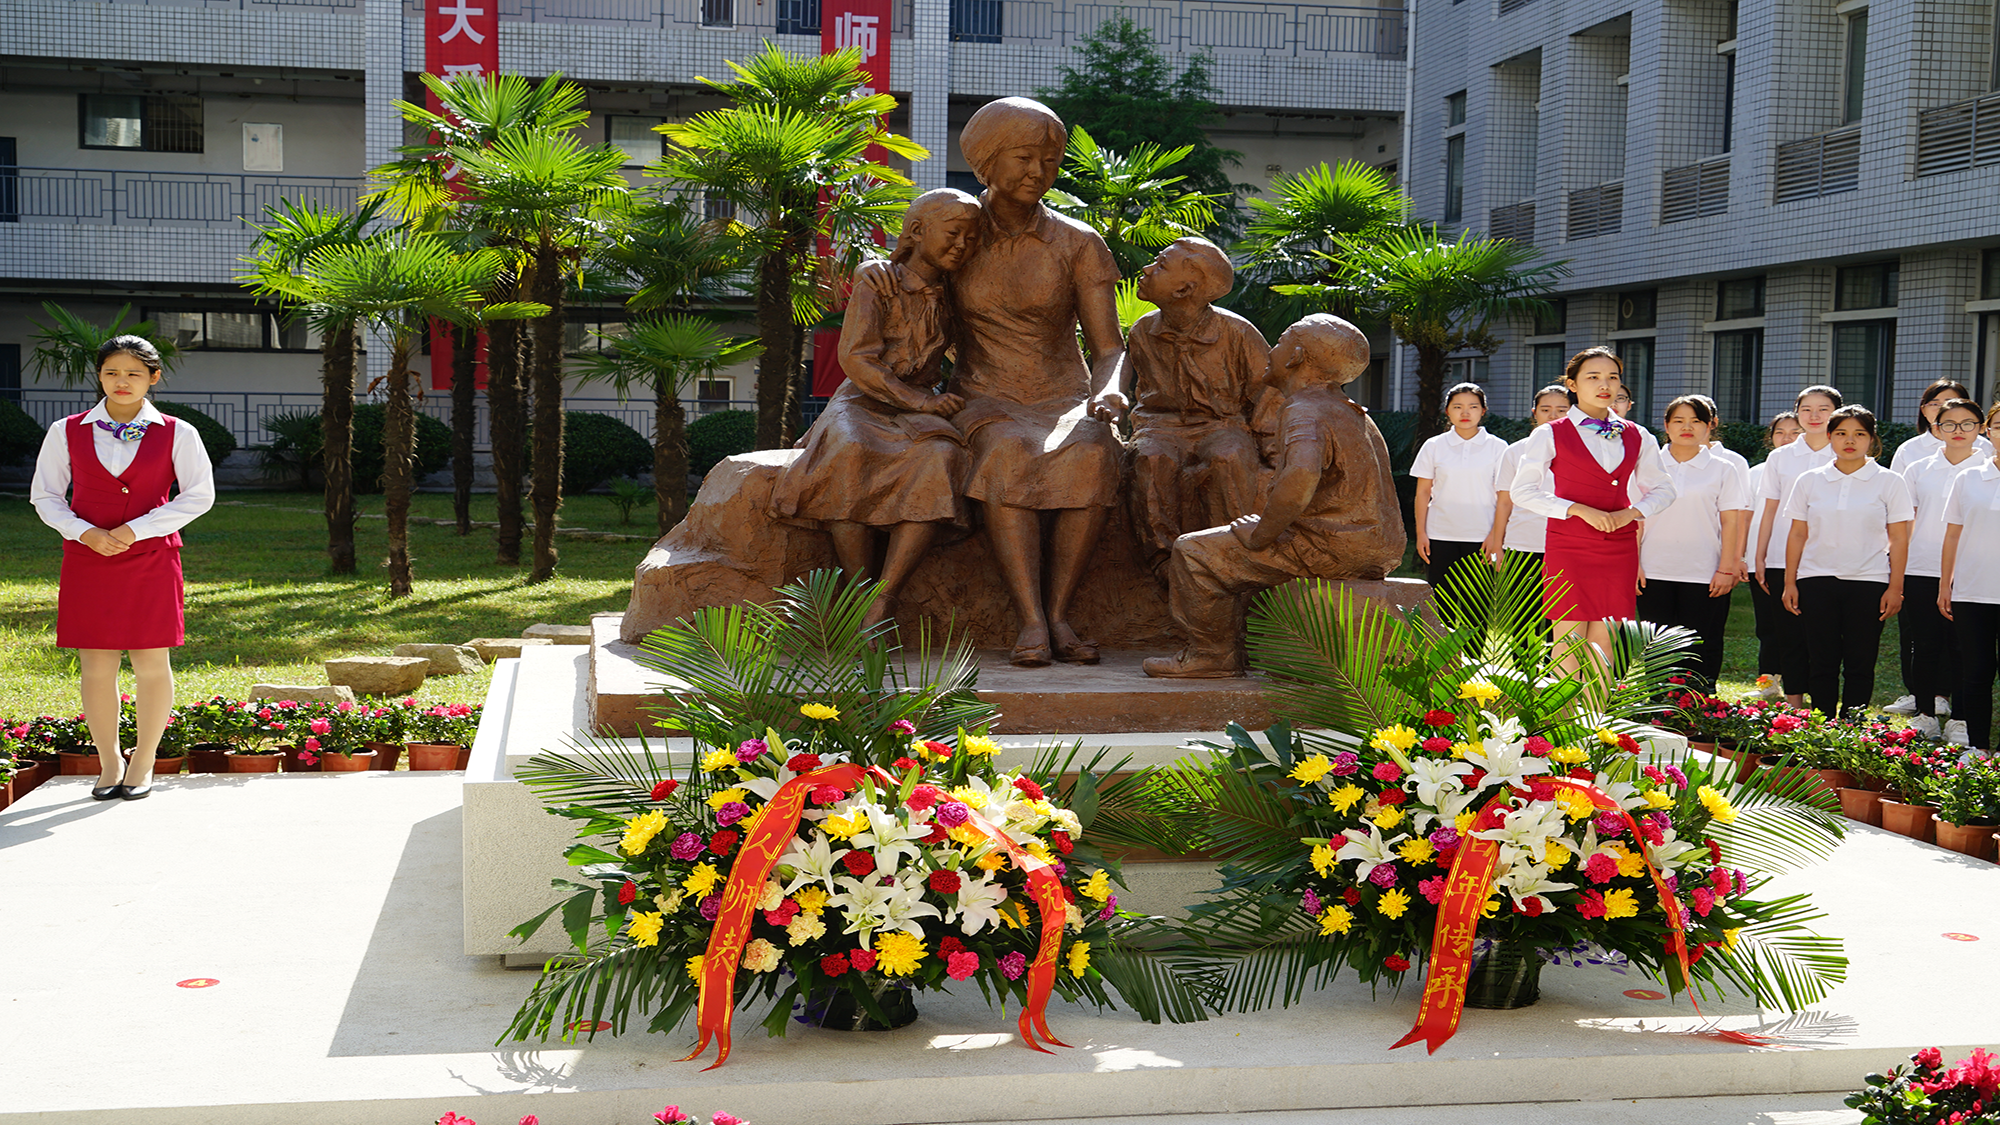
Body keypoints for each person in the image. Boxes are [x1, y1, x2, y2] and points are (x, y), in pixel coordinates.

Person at [945, 97, 1127, 667]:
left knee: (1093, 453)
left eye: (1049, 161)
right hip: (984, 394)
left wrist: (1109, 390)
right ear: (986, 161)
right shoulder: (957, 233)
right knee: (1006, 451)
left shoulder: (1077, 242)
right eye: (1023, 158)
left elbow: (1109, 348)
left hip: (1063, 396)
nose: (1037, 172)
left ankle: (1059, 613)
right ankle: (1029, 619)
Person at [1144, 314, 1405, 678]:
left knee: (1195, 552)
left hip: (1330, 546)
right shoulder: (1350, 410)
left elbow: (1301, 475)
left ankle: (1211, 656)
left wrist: (1262, 533)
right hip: (1377, 545)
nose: (1271, 350)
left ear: (1296, 356)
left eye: (1281, 341)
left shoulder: (1304, 409)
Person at [770, 188, 981, 630]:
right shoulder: (878, 281)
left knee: (941, 457)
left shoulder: (959, 291)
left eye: (971, 237)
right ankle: (858, 592)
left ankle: (883, 600)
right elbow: (857, 359)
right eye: (954, 233)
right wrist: (921, 400)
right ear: (917, 231)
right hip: (864, 400)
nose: (963, 244)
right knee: (849, 450)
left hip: (918, 409)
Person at [29, 336, 215, 801]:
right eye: (112, 372)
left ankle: (144, 761)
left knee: (151, 661)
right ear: (99, 375)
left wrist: (137, 530)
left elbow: (199, 495)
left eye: (134, 373)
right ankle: (110, 762)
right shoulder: (66, 430)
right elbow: (45, 496)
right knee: (96, 664)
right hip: (88, 560)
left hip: (152, 558)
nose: (122, 381)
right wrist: (84, 532)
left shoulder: (178, 432)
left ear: (154, 377)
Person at [1508, 347, 1675, 680]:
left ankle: (1597, 712)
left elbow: (1664, 489)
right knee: (1568, 637)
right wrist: (1575, 509)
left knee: (1606, 640)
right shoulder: (1549, 433)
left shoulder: (1638, 434)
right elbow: (1522, 491)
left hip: (1619, 546)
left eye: (1612, 377)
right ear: (1572, 384)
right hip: (1569, 544)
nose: (1605, 384)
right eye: (1593, 377)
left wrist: (1632, 513)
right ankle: (1565, 710)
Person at [1120, 236, 1273, 579]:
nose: (1147, 269)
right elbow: (1144, 393)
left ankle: (1229, 553)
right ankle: (1162, 560)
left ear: (1183, 290)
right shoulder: (1142, 331)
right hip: (1161, 425)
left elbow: (1267, 395)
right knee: (1150, 458)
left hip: (1221, 424)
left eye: (1160, 265)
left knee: (1229, 457)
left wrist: (1274, 452)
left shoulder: (1237, 332)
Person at [1780, 406, 1912, 719]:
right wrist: (1789, 582)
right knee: (1821, 659)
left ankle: (1852, 727)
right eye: (1841, 433)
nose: (1849, 441)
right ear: (1829, 436)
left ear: (1872, 439)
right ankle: (1821, 724)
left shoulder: (1890, 481)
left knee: (1860, 661)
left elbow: (1899, 538)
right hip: (1816, 580)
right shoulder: (1809, 480)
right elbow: (1797, 534)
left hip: (1870, 581)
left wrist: (1895, 587)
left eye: (1859, 434)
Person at [1636, 395, 1750, 689]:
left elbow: (1732, 521)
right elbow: (1636, 519)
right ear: (1666, 426)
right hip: (1653, 569)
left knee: (1702, 643)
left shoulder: (1724, 468)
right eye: (1679, 421)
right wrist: (1634, 564)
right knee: (1656, 645)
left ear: (1710, 426)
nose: (1687, 427)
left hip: (1705, 572)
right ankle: (1658, 704)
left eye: (1696, 421)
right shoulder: (1647, 465)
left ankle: (1699, 703)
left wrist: (1727, 568)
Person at [1896, 398, 1984, 739]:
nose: (1958, 430)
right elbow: (1904, 522)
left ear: (1980, 428)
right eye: (1949, 424)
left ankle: (1960, 718)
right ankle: (1925, 714)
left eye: (1967, 423)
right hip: (1922, 567)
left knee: (1963, 647)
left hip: (1971, 571)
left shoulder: (1989, 468)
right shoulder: (1919, 469)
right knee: (1924, 644)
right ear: (1936, 427)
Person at [1754, 385, 1841, 707]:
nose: (1814, 416)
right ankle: (1793, 703)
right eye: (1806, 409)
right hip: (1781, 556)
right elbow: (1769, 509)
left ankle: (1822, 705)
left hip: (1828, 559)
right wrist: (1760, 555)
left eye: (1823, 409)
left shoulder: (1845, 452)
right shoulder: (1781, 457)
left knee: (1823, 637)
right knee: (1788, 634)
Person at [1937, 402, 2000, 751]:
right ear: (1988, 432)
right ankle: (1978, 749)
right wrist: (1945, 584)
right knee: (1976, 673)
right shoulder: (1968, 478)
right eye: (1999, 426)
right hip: (1972, 592)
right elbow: (1952, 534)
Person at [1410, 383, 1507, 601]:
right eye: (1457, 407)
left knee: (1477, 608)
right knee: (1442, 605)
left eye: (1473, 407)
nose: (1465, 413)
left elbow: (1504, 497)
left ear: (1483, 411)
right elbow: (1423, 492)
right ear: (1447, 411)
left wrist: (1495, 536)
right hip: (1439, 535)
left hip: (1482, 537)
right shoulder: (1434, 446)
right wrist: (1421, 533)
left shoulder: (1499, 447)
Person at [1743, 411, 1803, 699]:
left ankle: (1800, 685)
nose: (1787, 438)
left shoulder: (1813, 470)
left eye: (1795, 432)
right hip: (1764, 558)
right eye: (1780, 432)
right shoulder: (1755, 473)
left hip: (1803, 559)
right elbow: (1746, 517)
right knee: (1767, 625)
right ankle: (1768, 682)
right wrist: (1744, 556)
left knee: (1799, 627)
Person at [1487, 384, 1571, 574]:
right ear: (1534, 413)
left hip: (1566, 545)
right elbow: (1504, 502)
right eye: (1545, 410)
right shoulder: (1515, 451)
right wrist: (1497, 545)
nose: (1553, 416)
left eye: (1561, 410)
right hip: (1520, 543)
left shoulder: (1583, 452)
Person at [1890, 378, 1994, 475]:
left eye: (1950, 403)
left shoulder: (1985, 446)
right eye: (1934, 404)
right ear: (1923, 410)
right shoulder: (1908, 449)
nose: (1942, 409)